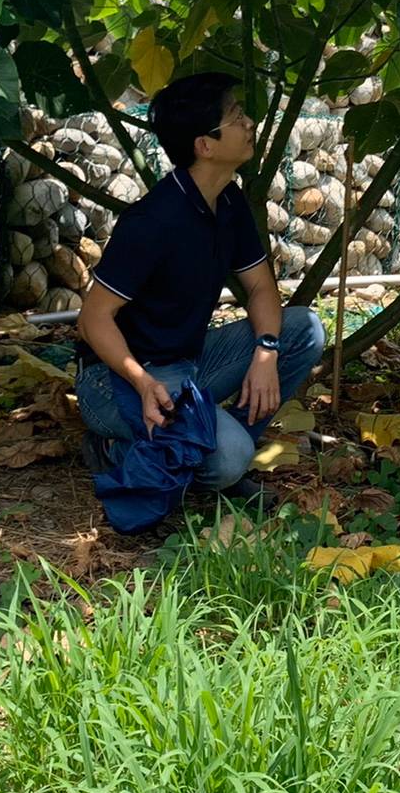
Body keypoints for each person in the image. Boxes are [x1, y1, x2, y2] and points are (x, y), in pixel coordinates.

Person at [74, 71, 326, 504]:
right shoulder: (153, 222)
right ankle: (122, 450)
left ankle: (209, 453)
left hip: (188, 363)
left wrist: (266, 351)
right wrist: (141, 381)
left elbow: (262, 288)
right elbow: (92, 319)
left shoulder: (228, 201)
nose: (249, 123)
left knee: (303, 329)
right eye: (235, 117)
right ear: (205, 146)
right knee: (227, 458)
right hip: (116, 380)